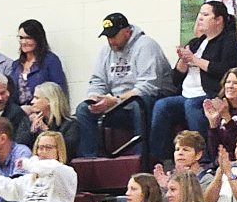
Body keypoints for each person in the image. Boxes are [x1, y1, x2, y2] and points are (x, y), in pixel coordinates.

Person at [75, 13, 174, 158]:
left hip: (151, 101)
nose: (111, 41)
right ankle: (89, 159)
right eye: (108, 37)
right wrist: (94, 98)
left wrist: (116, 100)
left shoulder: (146, 45)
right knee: (83, 109)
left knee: (137, 103)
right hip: (120, 104)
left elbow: (148, 86)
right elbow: (97, 81)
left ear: (127, 31)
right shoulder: (106, 52)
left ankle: (141, 160)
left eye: (114, 36)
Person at [6, 19, 67, 106]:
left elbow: (59, 92)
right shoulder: (16, 65)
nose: (23, 42)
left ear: (38, 39)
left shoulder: (51, 60)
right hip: (20, 114)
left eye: (28, 38)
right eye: (21, 38)